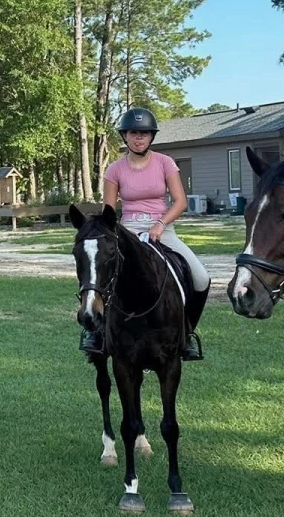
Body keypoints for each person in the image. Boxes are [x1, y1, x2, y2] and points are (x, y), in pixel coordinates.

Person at [87, 107, 212, 362]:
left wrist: (160, 224)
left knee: (201, 278)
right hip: (127, 230)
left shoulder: (165, 163)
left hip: (161, 230)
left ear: (151, 136)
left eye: (144, 133)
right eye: (133, 133)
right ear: (125, 136)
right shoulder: (114, 169)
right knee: (100, 276)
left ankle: (186, 334)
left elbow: (180, 202)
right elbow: (108, 212)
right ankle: (97, 334)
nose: (139, 138)